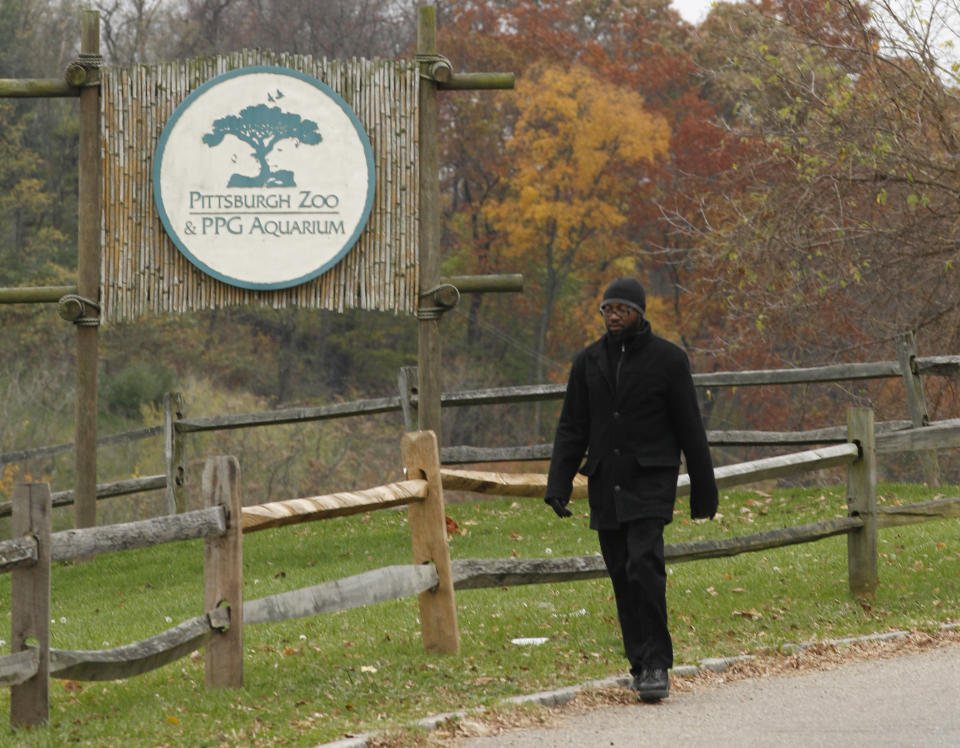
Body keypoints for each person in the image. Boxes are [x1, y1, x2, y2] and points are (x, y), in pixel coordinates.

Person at [544, 276, 718, 703]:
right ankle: (639, 665)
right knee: (622, 573)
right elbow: (572, 427)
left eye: (622, 309)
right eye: (608, 309)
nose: (614, 316)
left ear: (640, 313)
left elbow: (690, 428)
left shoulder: (669, 360)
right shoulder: (588, 362)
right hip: (607, 482)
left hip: (650, 480)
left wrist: (703, 489)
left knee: (644, 566)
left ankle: (658, 664)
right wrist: (558, 483)